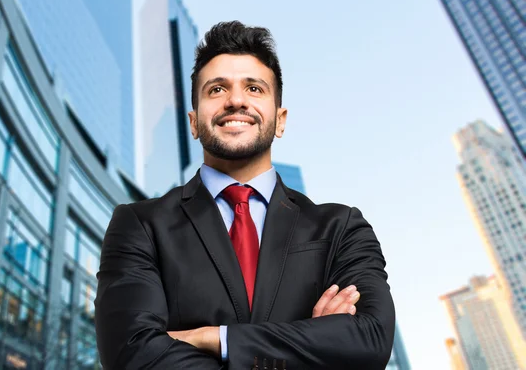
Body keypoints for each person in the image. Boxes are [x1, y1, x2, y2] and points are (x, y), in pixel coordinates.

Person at [95, 21, 395, 369]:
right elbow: (130, 354)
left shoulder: (340, 227)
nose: (236, 100)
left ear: (280, 120)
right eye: (217, 89)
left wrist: (215, 338)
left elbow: (369, 340)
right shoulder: (140, 225)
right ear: (193, 122)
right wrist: (315, 346)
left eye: (254, 88)